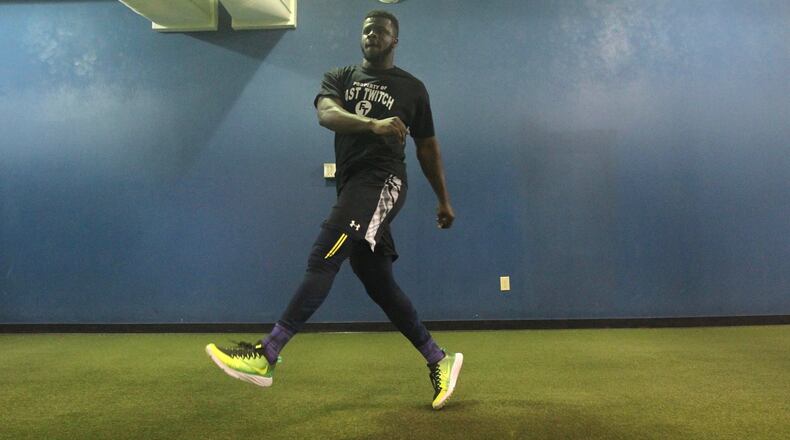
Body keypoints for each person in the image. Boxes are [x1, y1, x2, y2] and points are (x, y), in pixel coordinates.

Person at [205, 10, 462, 410]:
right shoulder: (341, 77)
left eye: (381, 30)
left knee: (324, 255)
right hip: (352, 185)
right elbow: (326, 114)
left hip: (383, 182)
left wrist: (443, 199)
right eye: (366, 30)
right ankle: (439, 358)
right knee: (378, 282)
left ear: (395, 40)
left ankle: (267, 354)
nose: (372, 35)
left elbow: (427, 147)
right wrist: (372, 124)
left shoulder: (413, 89)